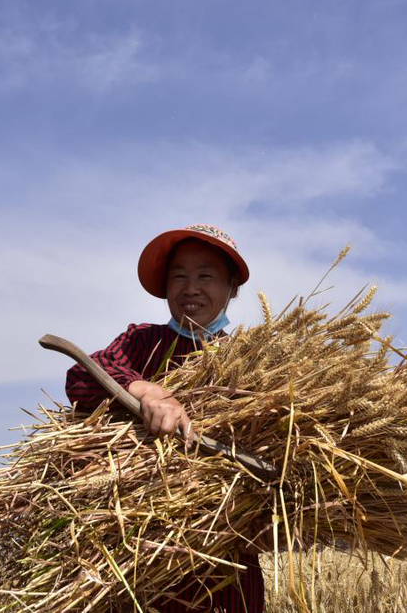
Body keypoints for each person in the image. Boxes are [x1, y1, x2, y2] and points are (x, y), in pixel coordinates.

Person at [65, 224, 264, 613]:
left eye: (205, 276)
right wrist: (145, 390)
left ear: (231, 288)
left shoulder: (253, 361)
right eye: (179, 276)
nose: (190, 288)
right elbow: (82, 377)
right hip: (137, 558)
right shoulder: (143, 342)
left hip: (223, 564)